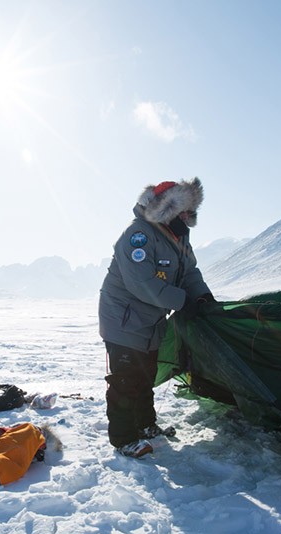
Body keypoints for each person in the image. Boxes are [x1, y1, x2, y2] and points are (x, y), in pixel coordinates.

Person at [98, 178, 215, 458]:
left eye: (190, 211)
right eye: (183, 211)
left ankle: (146, 425)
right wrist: (182, 301)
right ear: (168, 209)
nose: (187, 217)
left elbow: (189, 273)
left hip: (150, 322)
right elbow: (142, 283)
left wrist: (202, 298)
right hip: (123, 321)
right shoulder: (138, 235)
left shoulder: (178, 236)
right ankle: (124, 439)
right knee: (126, 381)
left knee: (146, 376)